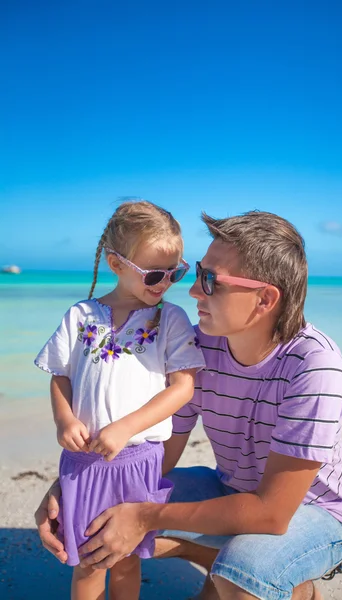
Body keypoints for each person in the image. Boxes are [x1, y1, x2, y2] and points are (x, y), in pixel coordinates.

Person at [36, 210, 342, 600]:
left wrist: (142, 517)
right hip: (229, 489)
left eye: (211, 281)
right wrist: (71, 489)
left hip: (313, 513)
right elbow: (162, 455)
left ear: (265, 299)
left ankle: (282, 580)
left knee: (242, 575)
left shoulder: (315, 367)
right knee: (100, 523)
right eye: (196, 274)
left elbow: (272, 514)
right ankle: (223, 558)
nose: (192, 292)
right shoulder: (200, 346)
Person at [33, 200, 206, 600]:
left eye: (175, 273)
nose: (165, 284)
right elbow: (61, 375)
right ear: (116, 263)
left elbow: (182, 388)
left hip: (136, 461)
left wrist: (126, 427)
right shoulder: (80, 316)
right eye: (155, 274)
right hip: (84, 462)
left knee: (126, 559)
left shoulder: (171, 320)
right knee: (89, 560)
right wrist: (63, 420)